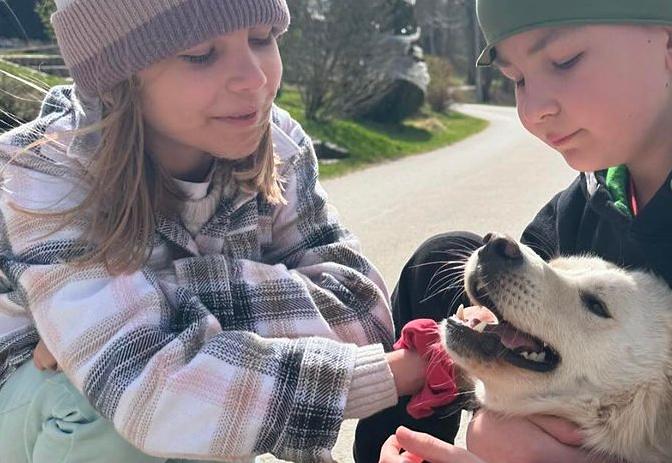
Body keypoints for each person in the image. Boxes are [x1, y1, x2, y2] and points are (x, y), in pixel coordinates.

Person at [375, 0, 672, 462]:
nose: (533, 111)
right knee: (439, 264)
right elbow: (524, 286)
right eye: (518, 79)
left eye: (565, 61)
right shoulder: (597, 191)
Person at [0, 1, 440, 462]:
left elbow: (363, 316)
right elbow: (154, 395)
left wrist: (164, 302)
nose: (253, 78)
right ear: (117, 75)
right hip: (28, 418)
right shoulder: (41, 173)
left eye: (262, 38)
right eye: (200, 53)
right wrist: (379, 375)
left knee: (202, 393)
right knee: (100, 407)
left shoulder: (277, 144)